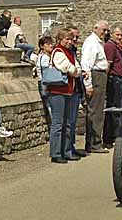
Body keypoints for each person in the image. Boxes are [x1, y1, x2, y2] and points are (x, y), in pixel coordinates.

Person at [46, 28, 82, 163]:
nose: (69, 41)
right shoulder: (58, 52)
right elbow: (69, 68)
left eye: (70, 39)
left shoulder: (70, 52)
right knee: (58, 123)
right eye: (66, 39)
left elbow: (77, 68)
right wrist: (75, 70)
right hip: (57, 92)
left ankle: (66, 150)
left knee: (68, 123)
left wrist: (75, 70)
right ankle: (55, 153)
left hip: (68, 91)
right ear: (60, 40)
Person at [81, 20, 110, 154]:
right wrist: (88, 85)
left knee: (98, 110)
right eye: (103, 30)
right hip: (96, 76)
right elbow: (86, 64)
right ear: (95, 28)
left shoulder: (97, 42)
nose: (105, 33)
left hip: (99, 75)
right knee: (95, 111)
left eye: (106, 30)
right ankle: (94, 143)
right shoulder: (92, 43)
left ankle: (95, 142)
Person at [103, 25, 122, 149]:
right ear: (111, 34)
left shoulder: (114, 46)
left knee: (117, 109)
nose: (120, 37)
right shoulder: (110, 46)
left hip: (118, 80)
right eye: (117, 35)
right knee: (113, 109)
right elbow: (108, 64)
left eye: (120, 35)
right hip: (114, 80)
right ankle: (110, 138)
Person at [66, 27, 87, 159]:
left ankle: (71, 147)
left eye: (77, 37)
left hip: (76, 88)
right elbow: (71, 69)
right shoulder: (65, 51)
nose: (75, 40)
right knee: (67, 122)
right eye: (73, 37)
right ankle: (67, 150)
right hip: (69, 89)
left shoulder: (73, 50)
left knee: (72, 122)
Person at [36, 36, 54, 122]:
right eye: (48, 44)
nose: (51, 46)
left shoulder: (45, 56)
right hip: (45, 84)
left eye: (51, 43)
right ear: (42, 46)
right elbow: (47, 72)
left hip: (45, 83)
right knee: (51, 107)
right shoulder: (44, 58)